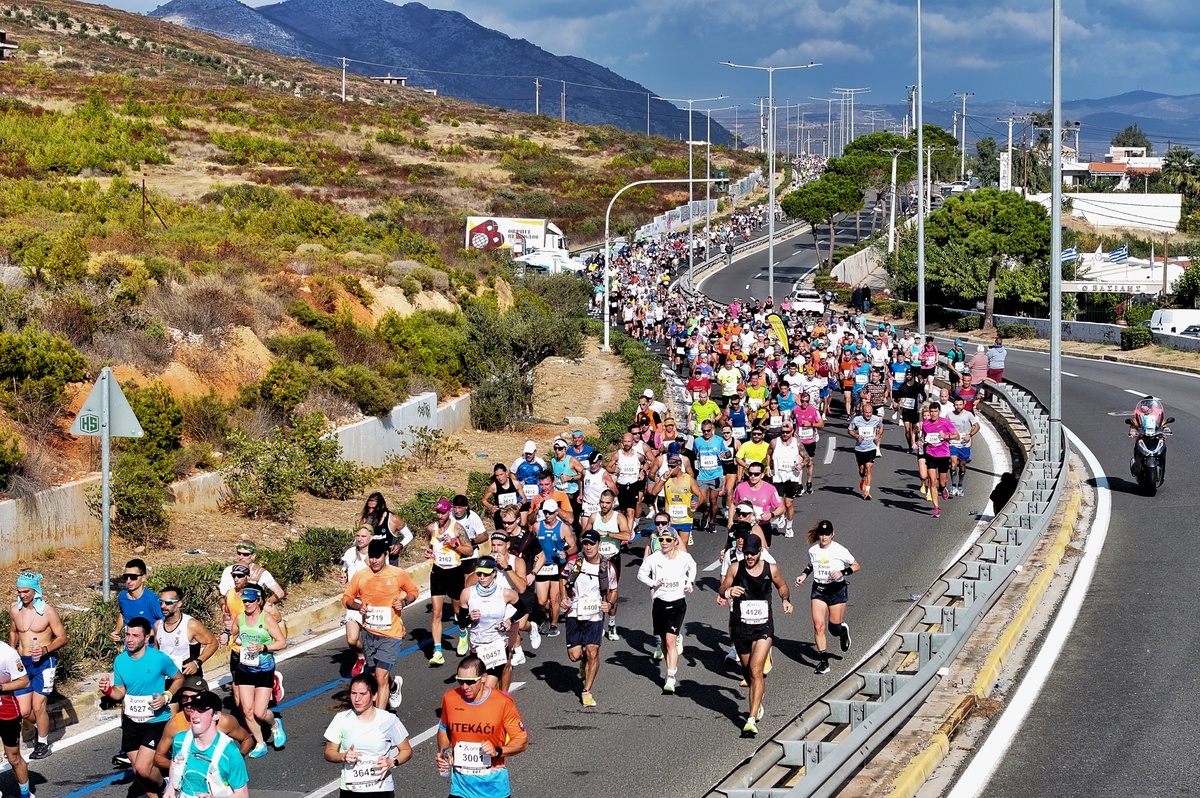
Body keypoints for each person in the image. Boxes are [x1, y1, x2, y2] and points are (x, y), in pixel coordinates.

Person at [717, 535, 792, 736]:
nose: (749, 556)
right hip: (741, 627)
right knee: (748, 672)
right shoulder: (736, 567)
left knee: (756, 669)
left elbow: (782, 586)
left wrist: (785, 599)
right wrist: (728, 592)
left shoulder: (771, 568)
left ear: (760, 552)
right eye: (746, 553)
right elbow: (722, 587)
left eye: (753, 553)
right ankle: (756, 702)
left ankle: (750, 719)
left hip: (763, 628)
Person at [99, 617, 183, 796]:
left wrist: (166, 696)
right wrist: (108, 691)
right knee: (138, 773)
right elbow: (120, 691)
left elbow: (179, 678)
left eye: (135, 635)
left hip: (155, 720)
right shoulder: (120, 661)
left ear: (146, 639)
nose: (129, 639)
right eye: (127, 634)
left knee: (143, 769)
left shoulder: (159, 658)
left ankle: (165, 786)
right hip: (131, 722)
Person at [435, 655, 529, 798]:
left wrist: (497, 751)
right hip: (460, 788)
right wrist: (445, 752)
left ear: (484, 678)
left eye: (470, 682)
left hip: (493, 788)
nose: (464, 687)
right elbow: (443, 729)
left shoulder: (502, 703)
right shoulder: (450, 698)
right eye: (460, 681)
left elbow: (522, 742)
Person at [343, 538, 419, 709]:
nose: (374, 560)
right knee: (374, 674)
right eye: (371, 557)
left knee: (381, 676)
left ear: (385, 555)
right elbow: (346, 598)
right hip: (369, 633)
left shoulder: (398, 574)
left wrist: (405, 602)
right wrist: (358, 606)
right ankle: (394, 686)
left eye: (377, 556)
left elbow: (413, 591)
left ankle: (380, 718)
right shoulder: (361, 576)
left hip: (391, 635)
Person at [109, 560, 163, 770]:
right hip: (128, 657)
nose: (129, 581)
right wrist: (117, 631)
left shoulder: (151, 600)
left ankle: (158, 742)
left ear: (143, 578)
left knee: (151, 701)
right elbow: (123, 615)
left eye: (133, 577)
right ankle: (129, 745)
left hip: (149, 658)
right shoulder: (123, 597)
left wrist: (156, 653)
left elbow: (160, 624)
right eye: (126, 577)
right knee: (127, 701)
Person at [324, 673, 413, 798]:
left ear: (374, 696)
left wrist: (392, 762)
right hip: (350, 790)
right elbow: (329, 752)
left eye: (362, 694)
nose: (357, 699)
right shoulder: (341, 719)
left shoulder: (388, 719)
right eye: (354, 693)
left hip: (381, 789)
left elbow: (406, 750)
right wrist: (342, 756)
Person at [10, 572, 67, 761]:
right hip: (22, 663)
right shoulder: (14, 610)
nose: (22, 595)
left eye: (25, 591)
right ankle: (40, 726)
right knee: (24, 710)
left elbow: (62, 637)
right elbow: (13, 633)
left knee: (38, 705)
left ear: (35, 590)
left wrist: (45, 649)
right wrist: (10, 657)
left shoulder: (48, 611)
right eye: (19, 591)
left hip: (44, 662)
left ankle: (42, 742)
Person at [637, 520, 697, 694]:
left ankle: (671, 676)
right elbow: (641, 574)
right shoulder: (654, 558)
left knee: (671, 640)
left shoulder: (684, 558)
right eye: (662, 540)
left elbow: (692, 567)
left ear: (675, 541)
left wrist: (689, 582)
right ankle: (669, 666)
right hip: (660, 603)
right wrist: (653, 582)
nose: (664, 543)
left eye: (668, 540)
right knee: (664, 640)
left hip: (677, 602)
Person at [795, 520, 860, 675]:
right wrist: (803, 575)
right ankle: (824, 662)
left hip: (836, 590)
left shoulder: (840, 550)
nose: (823, 538)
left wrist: (842, 573)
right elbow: (810, 565)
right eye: (821, 534)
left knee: (834, 628)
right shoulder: (813, 551)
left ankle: (843, 632)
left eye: (826, 534)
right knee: (818, 626)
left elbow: (856, 565)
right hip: (819, 590)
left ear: (832, 534)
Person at [560, 530, 618, 707]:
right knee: (574, 656)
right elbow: (562, 579)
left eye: (592, 543)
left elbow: (614, 590)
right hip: (575, 611)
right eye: (585, 543)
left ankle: (586, 691)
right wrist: (563, 597)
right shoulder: (574, 563)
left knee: (593, 651)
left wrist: (609, 604)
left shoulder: (607, 567)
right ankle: (583, 660)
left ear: (598, 544)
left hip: (595, 614)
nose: (588, 547)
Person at [231, 584, 288, 758]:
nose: (247, 604)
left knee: (259, 712)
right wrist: (230, 636)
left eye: (250, 601)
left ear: (259, 601)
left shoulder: (267, 619)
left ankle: (274, 725)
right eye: (245, 601)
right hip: (245, 668)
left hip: (264, 669)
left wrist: (263, 647)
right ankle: (260, 743)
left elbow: (282, 642)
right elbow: (233, 634)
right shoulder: (240, 617)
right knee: (247, 710)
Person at [153, 674, 254, 771]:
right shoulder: (174, 724)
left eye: (194, 698)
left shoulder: (224, 721)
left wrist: (237, 759)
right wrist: (185, 766)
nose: (189, 702)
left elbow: (247, 739)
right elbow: (158, 758)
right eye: (185, 697)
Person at [162, 690, 249, 798]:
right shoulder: (180, 740)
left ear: (216, 715)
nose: (194, 715)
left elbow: (242, 795)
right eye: (193, 710)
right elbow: (175, 763)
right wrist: (171, 787)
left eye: (201, 711)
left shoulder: (230, 753)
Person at [458, 557, 521, 692]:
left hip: (497, 644)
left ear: (494, 573)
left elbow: (524, 608)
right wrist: (470, 618)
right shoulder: (468, 593)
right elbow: (462, 622)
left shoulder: (505, 593)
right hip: (477, 645)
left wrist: (509, 620)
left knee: (487, 688)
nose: (482, 577)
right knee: (478, 687)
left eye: (486, 574)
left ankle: (501, 701)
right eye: (479, 574)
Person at [425, 498, 474, 666]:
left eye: (442, 512)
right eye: (437, 512)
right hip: (438, 572)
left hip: (454, 571)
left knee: (458, 609)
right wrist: (429, 552)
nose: (439, 515)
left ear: (449, 512)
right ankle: (437, 651)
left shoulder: (457, 528)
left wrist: (454, 546)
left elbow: (469, 550)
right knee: (436, 612)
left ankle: (462, 632)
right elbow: (431, 546)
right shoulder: (432, 528)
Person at [580, 489, 631, 641]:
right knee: (596, 590)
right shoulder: (594, 517)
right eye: (602, 502)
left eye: (607, 503)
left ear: (613, 503)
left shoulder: (618, 517)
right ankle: (598, 623)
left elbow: (627, 535)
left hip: (612, 558)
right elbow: (583, 535)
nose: (604, 505)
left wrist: (607, 534)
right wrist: (591, 536)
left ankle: (612, 624)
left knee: (611, 592)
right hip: (596, 559)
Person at [530, 498, 576, 639]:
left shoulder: (563, 528)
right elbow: (530, 542)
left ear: (556, 512)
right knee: (542, 601)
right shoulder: (538, 526)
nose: (547, 515)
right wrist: (535, 555)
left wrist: (566, 552)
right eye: (545, 512)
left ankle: (554, 624)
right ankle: (548, 616)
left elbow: (574, 546)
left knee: (554, 598)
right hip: (542, 567)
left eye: (550, 512)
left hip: (557, 566)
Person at [153, 586, 218, 677]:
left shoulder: (191, 625)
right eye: (161, 602)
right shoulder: (157, 625)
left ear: (179, 604)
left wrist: (197, 662)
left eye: (168, 603)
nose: (163, 606)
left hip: (188, 676)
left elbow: (213, 643)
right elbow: (157, 648)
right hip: (167, 677)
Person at [646, 449, 702, 552]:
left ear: (679, 466)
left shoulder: (689, 479)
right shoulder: (666, 478)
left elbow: (700, 495)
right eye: (669, 466)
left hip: (685, 518)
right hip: (670, 520)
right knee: (669, 545)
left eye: (673, 467)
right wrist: (662, 479)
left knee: (682, 547)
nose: (670, 469)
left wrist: (696, 503)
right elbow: (654, 492)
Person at [217, 543, 285, 617]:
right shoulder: (228, 571)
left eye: (245, 554)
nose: (241, 557)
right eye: (239, 553)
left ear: (253, 556)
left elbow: (280, 593)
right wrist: (224, 607)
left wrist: (260, 604)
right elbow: (222, 595)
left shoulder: (261, 573)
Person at [0, 641, 31, 798]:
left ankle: (25, 794)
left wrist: (1, 688)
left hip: (5, 710)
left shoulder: (7, 653)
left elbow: (24, 681)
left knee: (13, 758)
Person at [341, 527, 373, 677]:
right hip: (354, 602)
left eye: (363, 536)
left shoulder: (376, 554)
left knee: (372, 639)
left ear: (371, 538)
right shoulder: (350, 553)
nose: (360, 539)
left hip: (371, 603)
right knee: (352, 640)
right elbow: (344, 570)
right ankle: (361, 656)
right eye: (358, 535)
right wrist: (343, 578)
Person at [921, 403, 961, 518]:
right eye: (931, 411)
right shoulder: (925, 424)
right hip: (930, 454)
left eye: (935, 411)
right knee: (932, 481)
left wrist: (946, 436)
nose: (933, 414)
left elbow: (956, 435)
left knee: (942, 482)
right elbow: (923, 437)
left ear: (939, 412)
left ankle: (943, 489)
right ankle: (936, 508)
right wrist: (920, 442)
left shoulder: (945, 422)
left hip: (943, 455)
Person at [691, 419, 731, 533]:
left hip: (716, 474)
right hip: (702, 475)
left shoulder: (719, 440)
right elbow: (695, 453)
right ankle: (705, 513)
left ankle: (712, 522)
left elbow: (729, 453)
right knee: (702, 500)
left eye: (708, 431)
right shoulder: (697, 441)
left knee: (713, 501)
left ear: (712, 429)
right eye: (704, 431)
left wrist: (725, 455)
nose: (706, 433)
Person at [358, 493, 414, 566]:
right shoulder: (365, 520)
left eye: (374, 508)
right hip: (371, 561)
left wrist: (400, 545)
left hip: (390, 562)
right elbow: (358, 538)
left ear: (381, 506)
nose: (371, 511)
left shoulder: (393, 519)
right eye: (369, 508)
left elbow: (409, 535)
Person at [848, 401, 883, 500]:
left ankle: (867, 492)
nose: (868, 415)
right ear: (862, 412)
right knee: (862, 470)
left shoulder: (876, 419)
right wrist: (856, 436)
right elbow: (850, 430)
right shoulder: (856, 420)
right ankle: (863, 478)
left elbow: (881, 427)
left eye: (870, 412)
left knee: (869, 468)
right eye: (866, 413)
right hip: (859, 449)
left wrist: (878, 436)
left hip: (871, 448)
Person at [947, 395, 981, 498]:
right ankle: (953, 486)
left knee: (962, 465)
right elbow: (945, 427)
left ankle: (960, 485)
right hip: (953, 443)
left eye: (960, 405)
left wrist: (970, 435)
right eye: (956, 405)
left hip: (964, 444)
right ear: (953, 405)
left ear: (964, 404)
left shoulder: (968, 415)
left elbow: (977, 426)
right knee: (953, 464)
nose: (958, 407)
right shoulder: (949, 415)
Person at [481, 463, 523, 531]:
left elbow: (524, 498)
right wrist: (491, 507)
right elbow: (484, 500)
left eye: (501, 474)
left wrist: (520, 504)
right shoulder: (494, 486)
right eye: (497, 476)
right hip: (500, 516)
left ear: (506, 472)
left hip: (513, 515)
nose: (499, 478)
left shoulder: (515, 483)